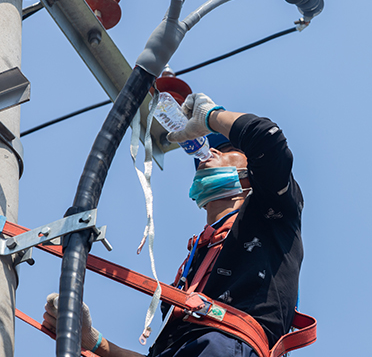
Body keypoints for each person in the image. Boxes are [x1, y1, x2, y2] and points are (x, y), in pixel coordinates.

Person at [43, 93, 305, 357]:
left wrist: (211, 117)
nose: (211, 151)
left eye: (226, 149)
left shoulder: (272, 212)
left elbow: (266, 138)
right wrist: (95, 343)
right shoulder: (195, 262)